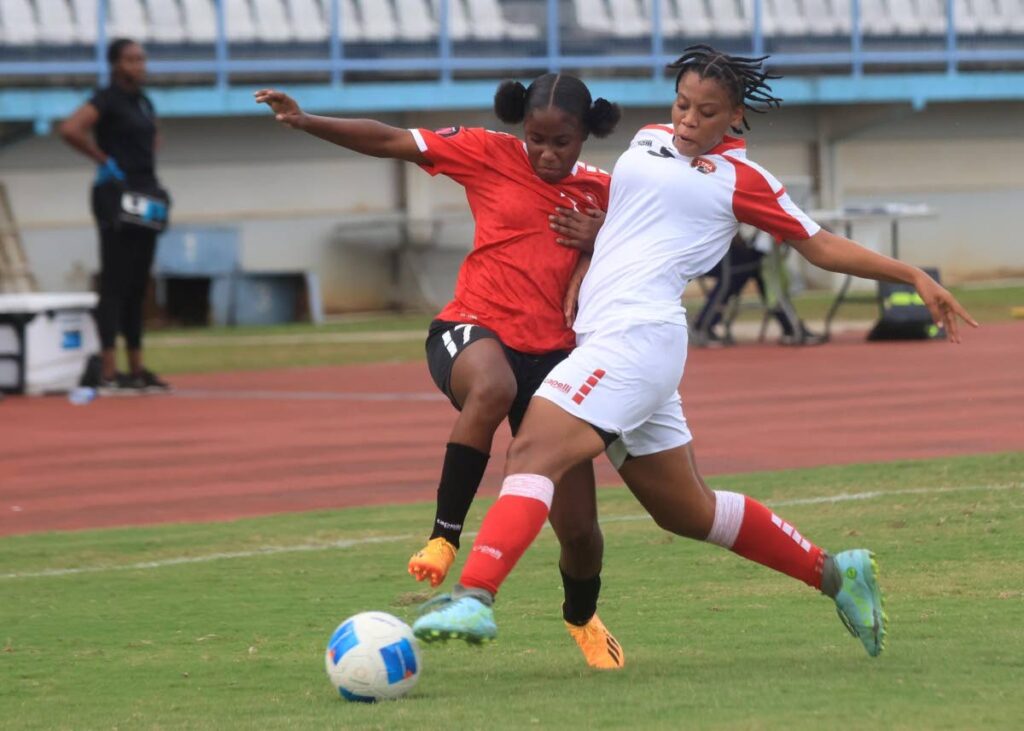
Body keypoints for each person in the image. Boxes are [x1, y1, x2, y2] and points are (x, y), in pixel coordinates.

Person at [411, 46, 978, 659]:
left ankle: (475, 595)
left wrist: (912, 275)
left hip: (639, 339)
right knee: (687, 511)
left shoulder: (743, 179)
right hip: (612, 340)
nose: (688, 120)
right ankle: (839, 574)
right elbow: (625, 225)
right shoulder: (650, 139)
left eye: (706, 112)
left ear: (735, 116)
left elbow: (819, 245)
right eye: (682, 104)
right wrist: (586, 262)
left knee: (532, 447)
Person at [256, 74, 628, 668]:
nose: (547, 153)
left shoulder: (609, 192)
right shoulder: (487, 152)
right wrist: (307, 121)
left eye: (563, 142)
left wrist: (605, 233)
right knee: (492, 385)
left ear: (587, 134)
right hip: (472, 329)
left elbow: (665, 246)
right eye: (536, 139)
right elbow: (390, 140)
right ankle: (444, 536)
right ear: (520, 128)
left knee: (580, 531)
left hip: (555, 356)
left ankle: (581, 617)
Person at [60, 38, 171, 394]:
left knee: (139, 283)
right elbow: (70, 129)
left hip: (145, 192)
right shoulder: (106, 99)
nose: (139, 65)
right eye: (131, 59)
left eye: (142, 59)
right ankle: (108, 370)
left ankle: (136, 368)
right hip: (115, 193)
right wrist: (103, 159)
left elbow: (153, 140)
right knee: (115, 281)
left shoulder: (143, 102)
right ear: (115, 64)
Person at [693, 226, 821, 346]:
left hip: (716, 253)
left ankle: (790, 326)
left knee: (760, 264)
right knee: (752, 268)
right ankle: (703, 325)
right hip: (700, 256)